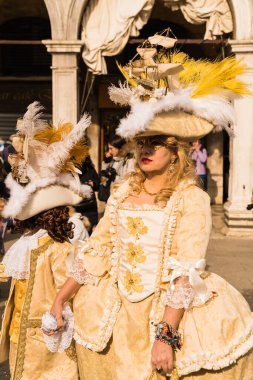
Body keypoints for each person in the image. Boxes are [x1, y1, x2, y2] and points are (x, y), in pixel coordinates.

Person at [45, 42, 253, 379]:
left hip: (165, 312)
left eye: (155, 143)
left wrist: (166, 337)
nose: (145, 149)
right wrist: (61, 298)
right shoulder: (123, 190)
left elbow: (185, 271)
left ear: (175, 152)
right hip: (113, 313)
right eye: (141, 141)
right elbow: (98, 248)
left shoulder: (191, 199)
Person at [0, 102, 92, 379]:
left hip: (47, 341)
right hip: (19, 338)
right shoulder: (27, 242)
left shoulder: (57, 247)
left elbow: (73, 291)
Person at [98, 135, 135, 202]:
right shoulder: (114, 158)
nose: (109, 151)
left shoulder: (129, 159)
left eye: (111, 148)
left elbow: (129, 181)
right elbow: (104, 177)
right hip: (112, 197)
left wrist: (114, 177)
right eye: (108, 148)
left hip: (122, 199)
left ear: (119, 148)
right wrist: (106, 162)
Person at [75, 155, 99, 230]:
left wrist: (93, 183)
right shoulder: (71, 170)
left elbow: (98, 184)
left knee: (91, 229)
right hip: (77, 206)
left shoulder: (90, 169)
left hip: (90, 207)